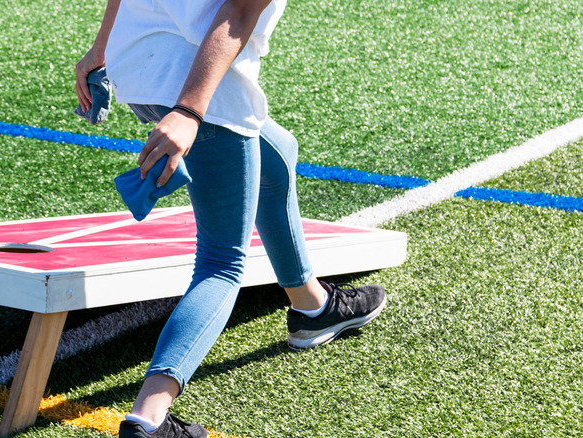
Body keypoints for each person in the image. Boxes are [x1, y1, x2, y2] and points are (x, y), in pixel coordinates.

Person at [75, 1, 387, 437]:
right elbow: (238, 12)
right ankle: (149, 418)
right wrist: (188, 112)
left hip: (140, 63)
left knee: (279, 152)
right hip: (199, 83)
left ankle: (311, 304)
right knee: (222, 264)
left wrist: (101, 49)